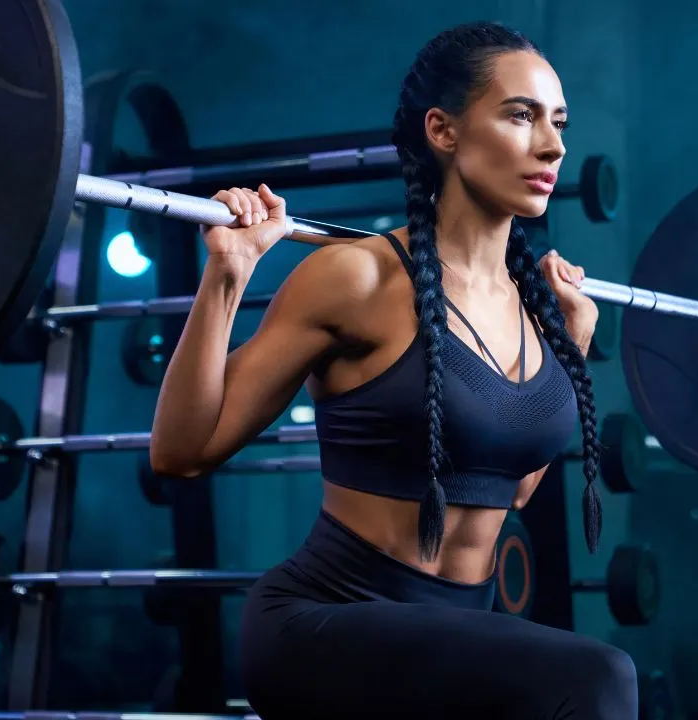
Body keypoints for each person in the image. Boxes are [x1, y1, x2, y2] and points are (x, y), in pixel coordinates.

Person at [150, 21, 637, 720]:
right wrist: (226, 276)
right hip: (325, 623)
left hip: (454, 631)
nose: (554, 145)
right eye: (520, 115)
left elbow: (515, 489)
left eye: (558, 121)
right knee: (598, 679)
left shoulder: (539, 312)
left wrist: (574, 340)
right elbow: (181, 451)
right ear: (443, 130)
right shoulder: (357, 278)